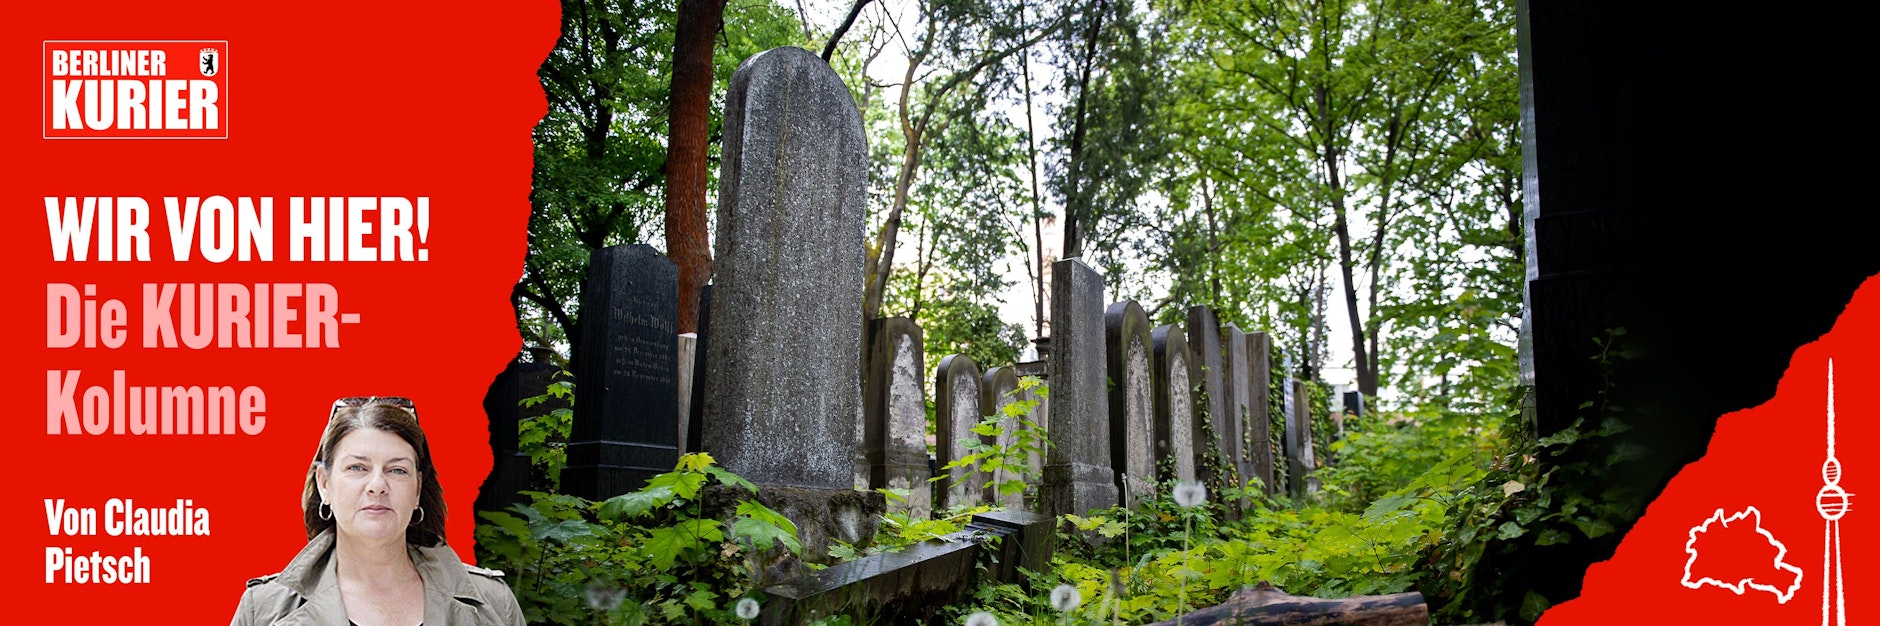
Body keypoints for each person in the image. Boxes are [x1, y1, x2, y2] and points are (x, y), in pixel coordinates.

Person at [232, 396, 524, 626]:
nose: (377, 486)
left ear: (417, 489)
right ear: (324, 484)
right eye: (357, 467)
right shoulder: (264, 610)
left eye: (397, 470)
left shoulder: (494, 605)